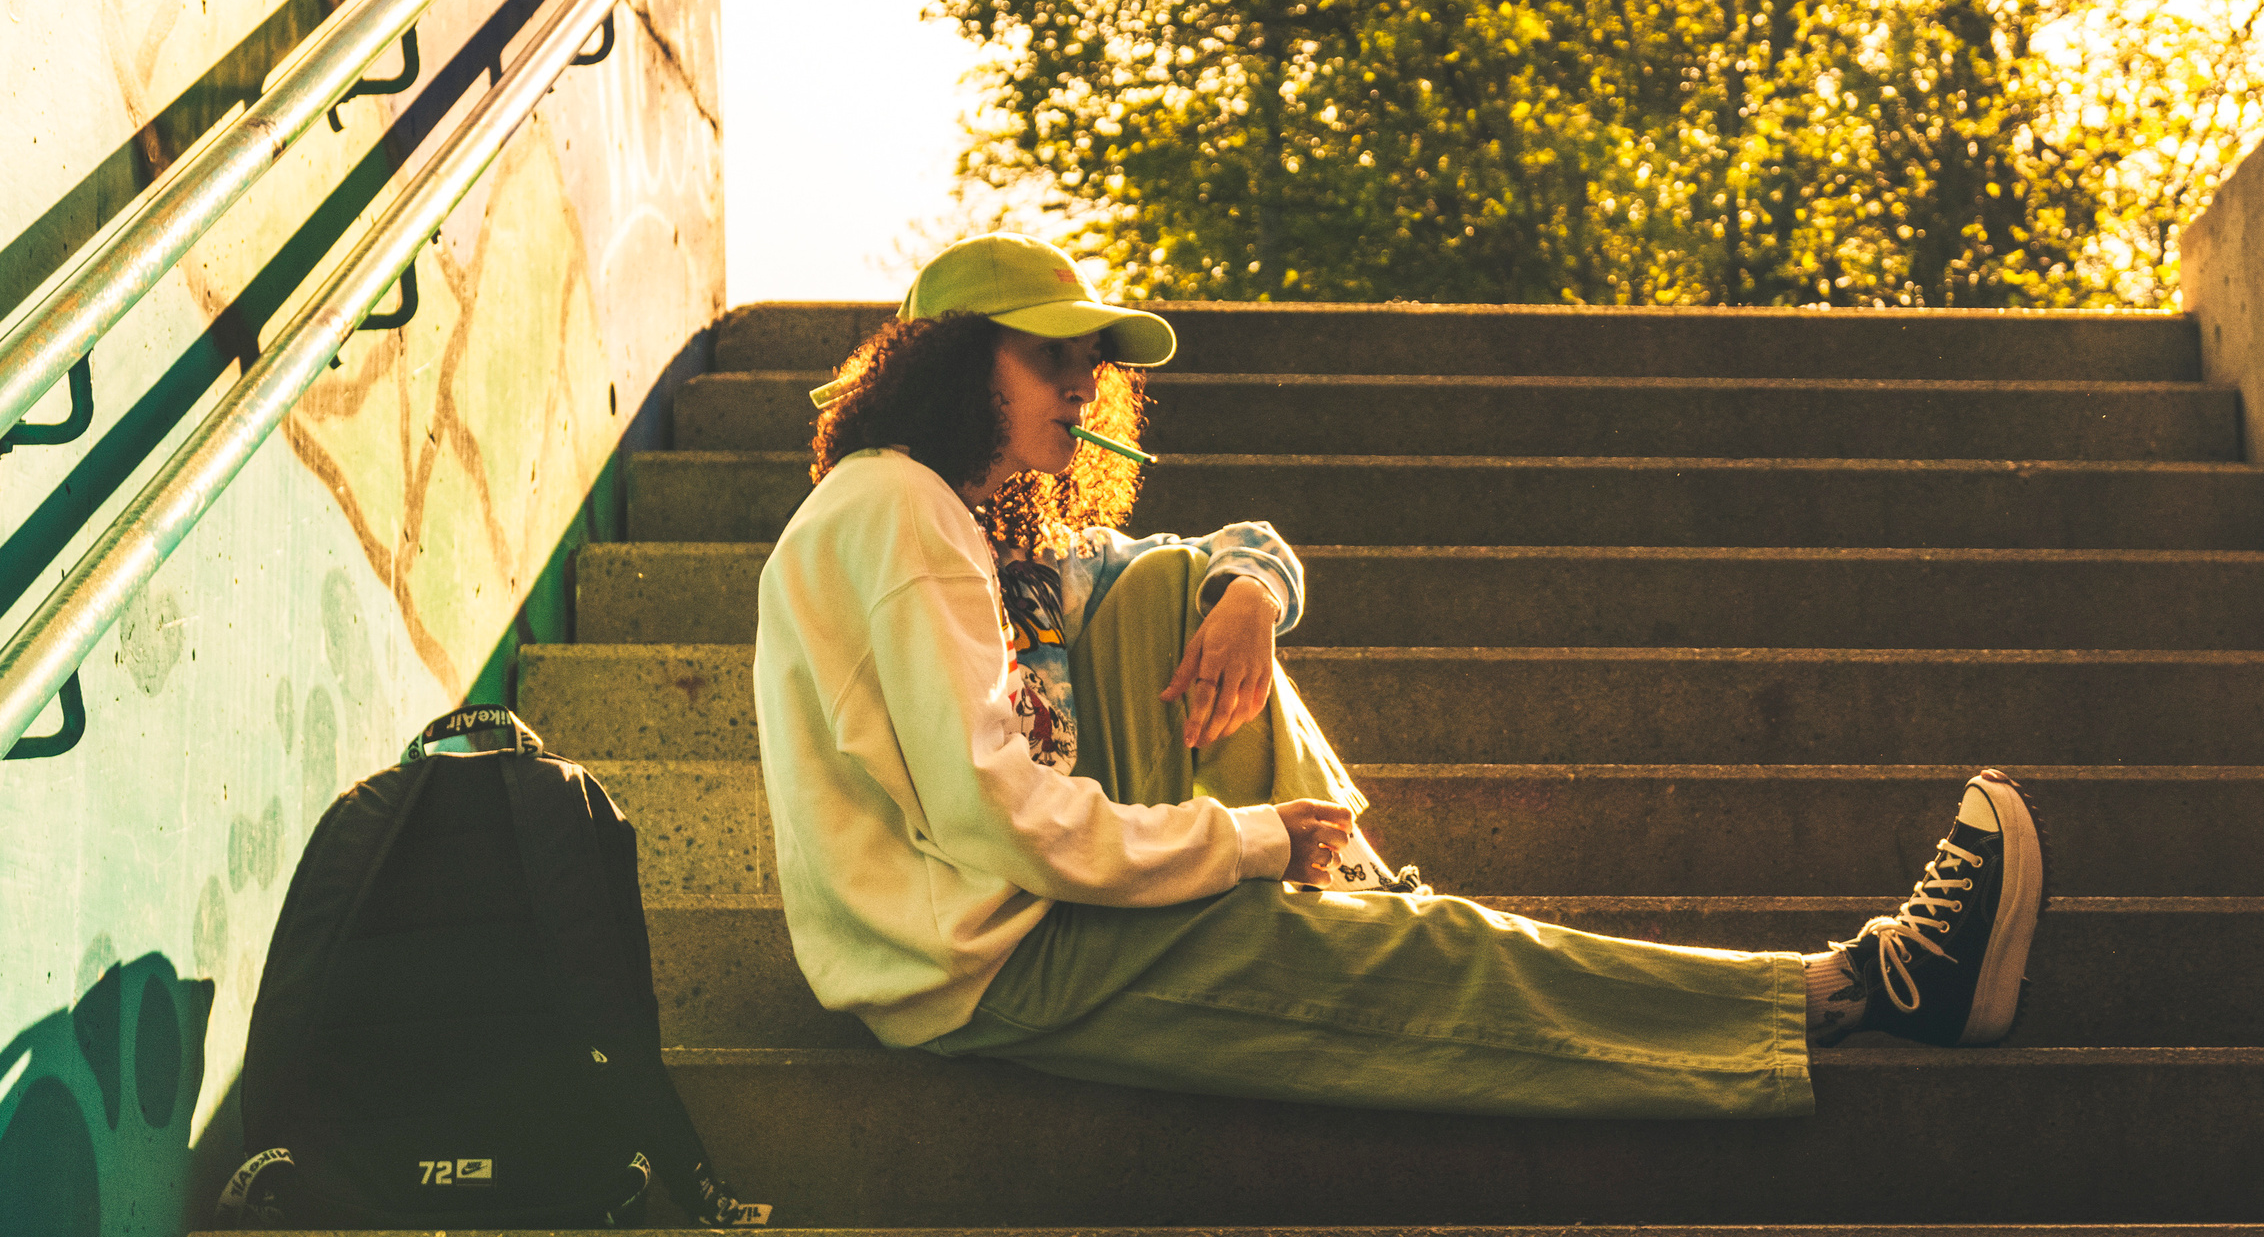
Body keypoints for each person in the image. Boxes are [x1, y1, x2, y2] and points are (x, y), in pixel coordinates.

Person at [752, 232, 2043, 1118]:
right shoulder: (903, 517)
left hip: (1003, 927)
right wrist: (1254, 842)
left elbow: (1201, 557)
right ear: (950, 360)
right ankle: (1854, 992)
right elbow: (1001, 820)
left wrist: (1249, 591)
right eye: (1052, 356)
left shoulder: (954, 526)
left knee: (1167, 586)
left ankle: (1363, 900)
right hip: (993, 963)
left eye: (1094, 360)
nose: (1086, 381)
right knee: (1444, 967)